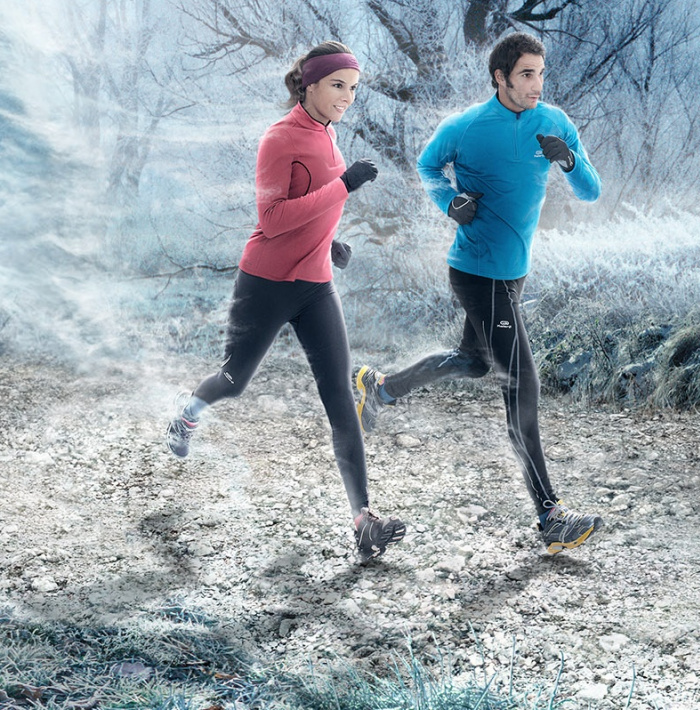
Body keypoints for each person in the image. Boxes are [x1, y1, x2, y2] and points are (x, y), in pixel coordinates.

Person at [354, 31, 603, 555]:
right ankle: (550, 515)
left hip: (513, 273)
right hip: (475, 271)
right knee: (522, 384)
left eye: (541, 73)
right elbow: (427, 166)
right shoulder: (465, 127)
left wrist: (570, 162)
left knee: (472, 363)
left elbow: (591, 191)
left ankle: (380, 388)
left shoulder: (554, 124)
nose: (537, 84)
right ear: (501, 78)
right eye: (526, 75)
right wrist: (448, 201)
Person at [166, 41, 406, 565]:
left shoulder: (329, 134)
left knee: (340, 399)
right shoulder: (278, 139)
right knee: (234, 380)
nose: (346, 97)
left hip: (316, 286)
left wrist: (330, 241)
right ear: (310, 85)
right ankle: (187, 415)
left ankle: (364, 522)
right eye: (338, 86)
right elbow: (272, 218)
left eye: (353, 88)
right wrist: (344, 186)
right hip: (267, 283)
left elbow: (312, 209)